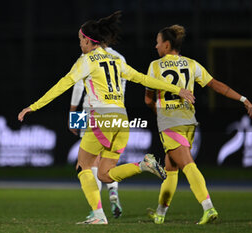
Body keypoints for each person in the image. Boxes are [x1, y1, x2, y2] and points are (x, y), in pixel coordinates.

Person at [18, 12, 195, 225]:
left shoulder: (87, 60)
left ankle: (99, 216)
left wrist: (33, 107)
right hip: (121, 120)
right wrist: (178, 89)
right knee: (105, 174)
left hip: (101, 118)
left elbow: (63, 85)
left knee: (82, 166)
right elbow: (143, 78)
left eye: (81, 40)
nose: (80, 44)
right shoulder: (116, 59)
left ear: (89, 40)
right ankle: (143, 165)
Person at [144, 25, 252, 225]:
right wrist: (243, 98)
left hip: (170, 122)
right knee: (171, 168)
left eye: (158, 41)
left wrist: (159, 112)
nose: (156, 45)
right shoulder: (192, 64)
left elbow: (148, 100)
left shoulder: (154, 66)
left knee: (187, 164)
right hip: (189, 122)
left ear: (167, 45)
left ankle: (208, 208)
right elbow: (216, 85)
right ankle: (160, 214)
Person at [69, 41, 127, 219]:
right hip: (118, 112)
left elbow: (79, 85)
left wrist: (72, 113)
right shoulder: (120, 58)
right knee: (107, 159)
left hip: (92, 109)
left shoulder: (88, 57)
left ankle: (97, 210)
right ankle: (113, 192)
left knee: (89, 162)